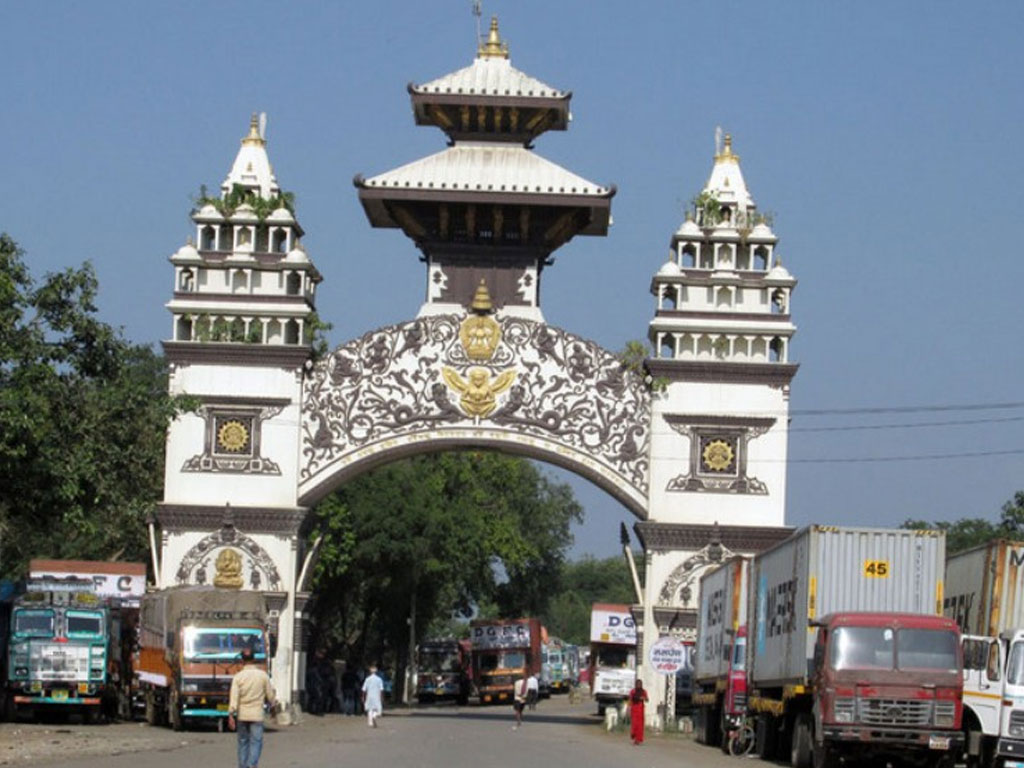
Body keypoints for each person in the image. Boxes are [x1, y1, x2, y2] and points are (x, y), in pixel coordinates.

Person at [228, 647, 276, 768]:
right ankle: (252, 764)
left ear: (242, 661)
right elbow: (270, 695)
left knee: (243, 742)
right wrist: (273, 706)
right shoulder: (263, 676)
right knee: (256, 741)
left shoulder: (238, 677)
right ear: (254, 659)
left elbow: (234, 697)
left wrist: (231, 715)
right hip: (257, 715)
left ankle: (243, 765)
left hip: (243, 715)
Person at [628, 679, 648, 746]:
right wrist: (628, 708)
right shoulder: (632, 691)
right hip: (634, 708)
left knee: (640, 725)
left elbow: (647, 699)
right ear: (635, 685)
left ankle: (638, 739)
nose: (639, 685)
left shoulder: (644, 691)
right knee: (634, 724)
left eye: (640, 684)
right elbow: (630, 700)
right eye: (637, 684)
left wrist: (644, 698)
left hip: (640, 709)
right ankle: (633, 734)